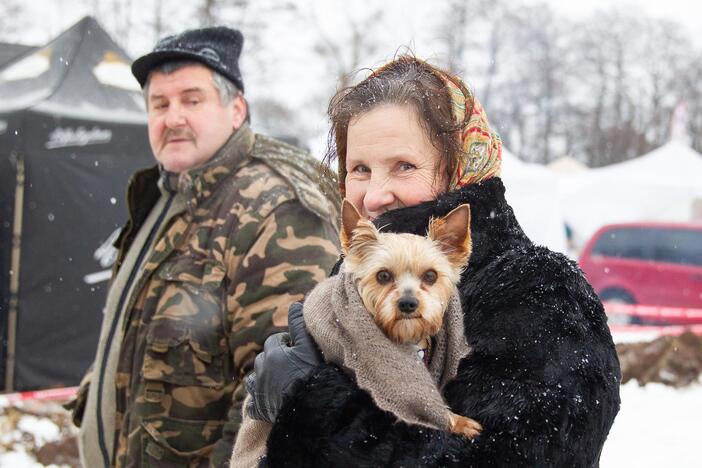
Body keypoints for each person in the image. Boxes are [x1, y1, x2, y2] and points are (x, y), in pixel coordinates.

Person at [245, 56, 621, 467]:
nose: (374, 195)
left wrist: (316, 402)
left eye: (403, 166)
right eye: (360, 169)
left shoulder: (539, 294)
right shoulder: (356, 276)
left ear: (462, 166)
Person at [67, 26, 340, 468]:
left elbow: (276, 396)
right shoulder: (161, 195)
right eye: (160, 104)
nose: (173, 117)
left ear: (236, 111)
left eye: (191, 100)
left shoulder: (274, 209)